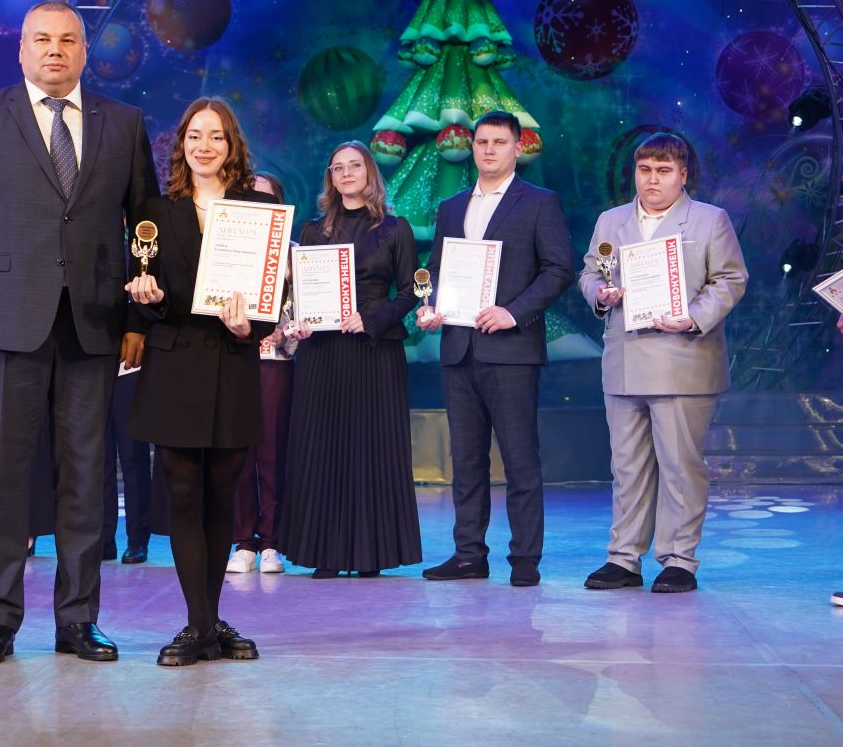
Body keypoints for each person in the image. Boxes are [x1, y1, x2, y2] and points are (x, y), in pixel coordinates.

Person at [0, 0, 157, 665]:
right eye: (41, 39)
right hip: (4, 324)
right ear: (22, 49)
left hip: (95, 325)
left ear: (85, 51)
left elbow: (144, 231)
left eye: (67, 40)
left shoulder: (123, 123)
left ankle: (78, 619)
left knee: (87, 477)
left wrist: (136, 320)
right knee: (2, 478)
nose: (54, 50)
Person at [127, 97, 274, 666]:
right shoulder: (154, 212)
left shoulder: (258, 209)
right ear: (181, 144)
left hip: (233, 364)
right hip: (175, 367)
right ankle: (200, 625)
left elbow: (271, 298)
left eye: (215, 136)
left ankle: (208, 622)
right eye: (194, 135)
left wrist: (248, 326)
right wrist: (148, 299)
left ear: (231, 144)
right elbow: (141, 287)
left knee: (222, 497)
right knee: (184, 495)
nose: (204, 146)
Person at [579, 132, 747, 594]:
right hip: (625, 360)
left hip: (683, 359)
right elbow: (590, 272)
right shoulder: (611, 221)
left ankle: (679, 560)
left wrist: (692, 316)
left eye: (663, 171)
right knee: (627, 467)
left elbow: (731, 279)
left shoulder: (709, 220)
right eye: (645, 170)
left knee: (679, 466)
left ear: (682, 175)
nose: (652, 180)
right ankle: (623, 558)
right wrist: (600, 294)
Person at [417, 110, 574, 587]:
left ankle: (525, 557)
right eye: (482, 141)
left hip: (510, 350)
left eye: (499, 142)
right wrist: (432, 305)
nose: (488, 149)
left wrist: (513, 311)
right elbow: (436, 269)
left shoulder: (539, 202)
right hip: (458, 349)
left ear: (517, 148)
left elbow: (558, 269)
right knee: (466, 461)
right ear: (472, 147)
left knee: (520, 459)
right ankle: (469, 555)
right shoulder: (451, 207)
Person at [278, 142, 422, 578]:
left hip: (374, 350)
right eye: (337, 167)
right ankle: (324, 553)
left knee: (371, 450)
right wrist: (301, 322)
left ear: (369, 172)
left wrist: (373, 318)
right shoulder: (313, 230)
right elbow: (301, 294)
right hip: (323, 353)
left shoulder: (395, 229)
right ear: (330, 177)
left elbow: (410, 292)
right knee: (322, 448)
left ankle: (370, 554)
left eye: (354, 166)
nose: (345, 173)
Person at [227, 170, 296, 575]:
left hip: (274, 361)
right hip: (233, 360)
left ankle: (271, 541)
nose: (259, 204)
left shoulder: (294, 254)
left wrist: (289, 335)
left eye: (267, 198)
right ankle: (243, 542)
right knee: (238, 454)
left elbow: (308, 312)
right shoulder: (227, 247)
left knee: (271, 452)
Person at [102, 362, 153, 563]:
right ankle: (104, 539)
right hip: (95, 369)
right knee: (99, 459)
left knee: (133, 457)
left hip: (130, 367)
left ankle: (137, 540)